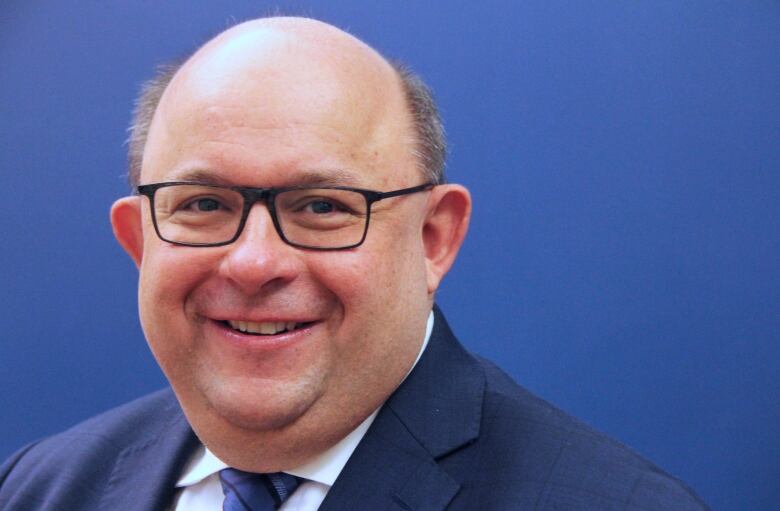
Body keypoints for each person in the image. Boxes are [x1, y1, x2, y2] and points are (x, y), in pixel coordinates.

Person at [0, 16, 709, 511]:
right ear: (140, 240)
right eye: (204, 204)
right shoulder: (36, 489)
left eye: (322, 206)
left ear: (434, 238)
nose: (252, 261)